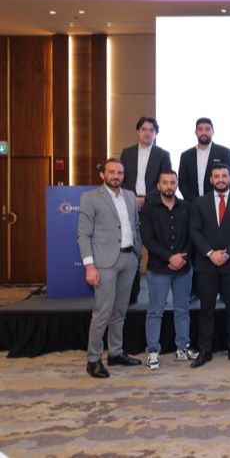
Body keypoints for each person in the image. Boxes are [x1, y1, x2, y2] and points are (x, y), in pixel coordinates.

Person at [77, 158, 143, 378]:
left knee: (120, 311)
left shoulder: (130, 196)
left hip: (129, 260)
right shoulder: (90, 198)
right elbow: (83, 235)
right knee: (102, 312)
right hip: (104, 263)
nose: (116, 176)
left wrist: (138, 253)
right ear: (102, 174)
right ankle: (93, 359)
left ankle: (115, 352)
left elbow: (135, 226)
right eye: (111, 172)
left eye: (120, 172)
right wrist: (89, 266)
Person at [188, 163, 230, 368]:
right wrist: (210, 253)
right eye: (217, 176)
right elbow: (194, 231)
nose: (221, 180)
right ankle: (205, 351)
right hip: (206, 265)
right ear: (211, 179)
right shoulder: (199, 203)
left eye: (224, 176)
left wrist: (227, 253)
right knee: (206, 309)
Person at [140, 170, 198, 369]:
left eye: (172, 182)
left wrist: (182, 258)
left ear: (177, 184)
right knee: (155, 311)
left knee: (182, 309)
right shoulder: (149, 210)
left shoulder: (187, 208)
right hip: (158, 269)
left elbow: (193, 236)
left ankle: (183, 347)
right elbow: (148, 240)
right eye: (165, 182)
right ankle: (153, 351)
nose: (169, 186)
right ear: (158, 185)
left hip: (184, 268)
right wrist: (170, 257)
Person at [120, 116, 173, 304]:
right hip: (130, 205)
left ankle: (158, 296)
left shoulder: (163, 154)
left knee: (156, 250)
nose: (147, 133)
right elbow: (121, 178)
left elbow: (166, 181)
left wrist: (145, 199)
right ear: (138, 131)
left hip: (153, 206)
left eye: (152, 130)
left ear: (156, 134)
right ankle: (132, 294)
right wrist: (132, 198)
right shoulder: (127, 153)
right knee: (132, 249)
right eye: (144, 129)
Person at [177, 117, 230, 203]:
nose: (204, 132)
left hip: (216, 204)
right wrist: (195, 202)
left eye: (207, 129)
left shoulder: (224, 152)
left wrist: (212, 201)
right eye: (200, 129)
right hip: (191, 204)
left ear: (212, 132)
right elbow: (182, 182)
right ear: (196, 132)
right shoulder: (186, 155)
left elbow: (228, 179)